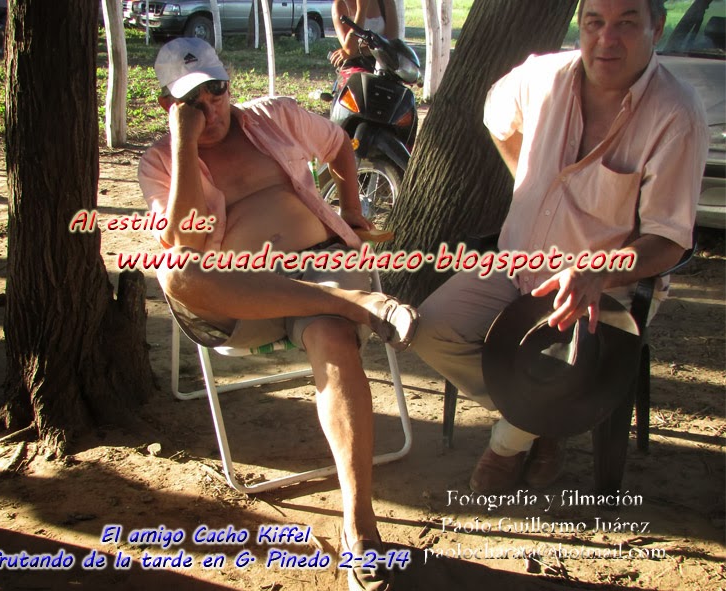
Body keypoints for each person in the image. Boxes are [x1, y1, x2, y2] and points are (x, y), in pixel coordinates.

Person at [138, 37, 418, 591]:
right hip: (243, 299)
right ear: (170, 106)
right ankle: (356, 305)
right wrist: (184, 142)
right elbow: (184, 238)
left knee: (333, 338)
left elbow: (339, 146)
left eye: (216, 90)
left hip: (321, 269)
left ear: (229, 83)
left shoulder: (276, 116)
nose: (210, 107)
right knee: (174, 271)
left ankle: (359, 527)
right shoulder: (160, 160)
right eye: (193, 100)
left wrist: (352, 210)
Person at [412, 0, 708, 494]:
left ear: (656, 27)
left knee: (567, 364)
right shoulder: (542, 76)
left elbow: (669, 241)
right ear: (580, 24)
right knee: (431, 328)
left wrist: (597, 271)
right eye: (594, 22)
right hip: (519, 261)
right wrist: (527, 181)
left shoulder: (676, 114)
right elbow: (496, 114)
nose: (606, 39)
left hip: (606, 289)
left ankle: (509, 442)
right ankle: (547, 420)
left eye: (626, 23)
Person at [328, 0, 398, 72]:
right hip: (356, 66)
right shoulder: (340, 4)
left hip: (384, 64)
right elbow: (350, 49)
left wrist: (357, 53)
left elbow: (392, 45)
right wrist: (361, 10)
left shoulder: (386, 2)